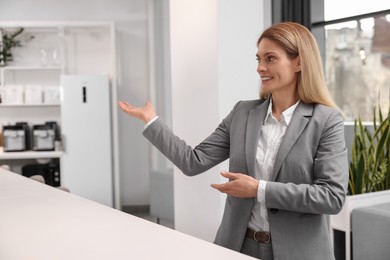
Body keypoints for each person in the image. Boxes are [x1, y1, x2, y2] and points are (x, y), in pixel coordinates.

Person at [118, 22, 349, 260]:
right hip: (238, 246)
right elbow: (193, 161)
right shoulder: (242, 113)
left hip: (298, 252)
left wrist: (259, 189)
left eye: (270, 59)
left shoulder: (326, 121)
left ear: (299, 62)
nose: (260, 68)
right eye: (258, 59)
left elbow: (331, 196)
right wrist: (150, 120)